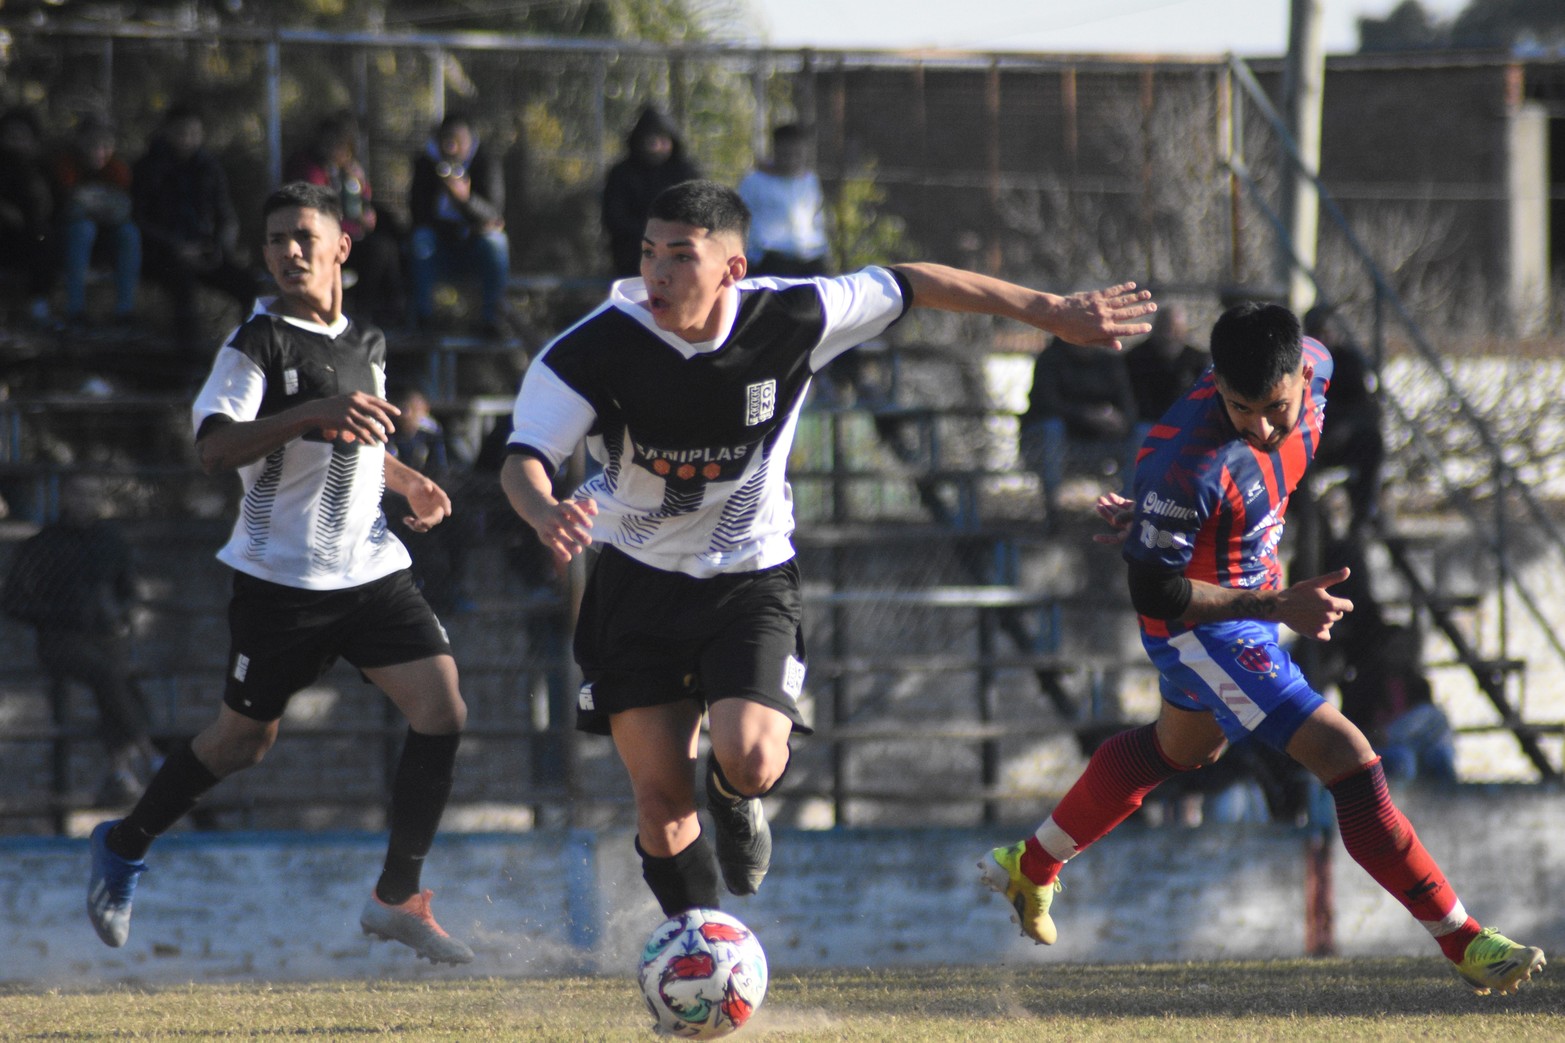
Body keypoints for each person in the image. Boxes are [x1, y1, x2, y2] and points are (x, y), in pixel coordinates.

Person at [499, 178, 1156, 921]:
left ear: (732, 269)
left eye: (681, 255)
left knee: (751, 758)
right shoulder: (592, 348)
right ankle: (703, 947)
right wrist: (542, 509)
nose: (657, 272)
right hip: (635, 581)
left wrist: (1049, 311)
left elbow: (912, 282)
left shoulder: (792, 314)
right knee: (658, 800)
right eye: (649, 253)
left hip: (748, 575)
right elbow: (524, 455)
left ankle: (735, 795)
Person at [979, 302, 1546, 997]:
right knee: (1347, 756)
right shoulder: (1186, 460)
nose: (1261, 425)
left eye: (1275, 407)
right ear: (1215, 382)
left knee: (1178, 749)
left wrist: (1162, 521)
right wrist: (1270, 600)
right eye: (1241, 408)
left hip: (1246, 594)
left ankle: (1031, 863)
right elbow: (1155, 592)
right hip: (1204, 625)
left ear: (1301, 374)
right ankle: (1464, 941)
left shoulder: (1319, 362)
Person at [85, 181, 472, 966]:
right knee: (239, 744)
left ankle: (396, 896)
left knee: (443, 708)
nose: (288, 250)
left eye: (303, 236)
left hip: (367, 570)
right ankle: (123, 844)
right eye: (274, 240)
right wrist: (310, 415)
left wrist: (408, 481)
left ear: (341, 247)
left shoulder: (367, 341)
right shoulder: (254, 344)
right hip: (280, 584)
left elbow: (356, 435)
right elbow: (215, 449)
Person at [2, 475, 160, 806]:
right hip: (59, 640)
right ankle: (150, 757)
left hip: (104, 637)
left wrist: (117, 612)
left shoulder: (111, 541)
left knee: (120, 683)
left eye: (92, 494)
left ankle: (120, 772)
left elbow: (128, 590)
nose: (85, 501)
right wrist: (60, 613)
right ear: (65, 498)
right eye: (79, 494)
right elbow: (13, 600)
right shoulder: (42, 545)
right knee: (109, 676)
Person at [132, 105, 256, 353]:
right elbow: (138, 218)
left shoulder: (209, 168)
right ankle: (186, 360)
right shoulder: (149, 167)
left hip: (204, 252)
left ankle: (249, 355)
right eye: (181, 133)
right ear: (168, 132)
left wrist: (220, 247)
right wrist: (175, 247)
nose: (187, 139)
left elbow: (225, 214)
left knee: (248, 286)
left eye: (193, 133)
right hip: (162, 255)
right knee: (183, 289)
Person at [285, 112, 403, 327]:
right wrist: (353, 224)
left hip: (348, 238)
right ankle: (363, 312)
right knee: (378, 250)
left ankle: (391, 311)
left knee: (390, 242)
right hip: (319, 242)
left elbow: (360, 202)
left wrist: (360, 184)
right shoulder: (310, 170)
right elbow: (316, 214)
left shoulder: (345, 171)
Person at [408, 112, 510, 336]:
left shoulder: (485, 162)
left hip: (474, 248)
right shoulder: (426, 164)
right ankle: (423, 318)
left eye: (457, 141)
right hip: (440, 247)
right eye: (446, 141)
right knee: (420, 240)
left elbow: (494, 213)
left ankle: (492, 319)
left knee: (496, 242)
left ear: (470, 141)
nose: (451, 148)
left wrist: (465, 200)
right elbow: (418, 214)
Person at [1017, 335, 1139, 522]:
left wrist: (1118, 421)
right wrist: (1087, 416)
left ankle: (1127, 511)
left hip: (1101, 440)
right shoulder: (1050, 359)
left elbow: (1128, 407)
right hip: (1057, 442)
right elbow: (1046, 405)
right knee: (1052, 428)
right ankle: (1054, 510)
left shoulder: (1110, 362)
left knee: (1141, 432)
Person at [1302, 302, 1385, 541]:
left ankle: (1363, 514)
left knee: (1370, 441)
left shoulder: (1348, 362)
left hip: (1341, 435)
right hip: (1307, 436)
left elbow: (1365, 406)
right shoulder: (1300, 364)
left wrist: (1346, 428)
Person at [51, 114, 141, 327]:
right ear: (80, 141)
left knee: (129, 233)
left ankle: (125, 310)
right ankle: (76, 310)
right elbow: (69, 205)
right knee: (83, 229)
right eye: (93, 144)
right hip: (70, 236)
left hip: (107, 236)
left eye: (106, 145)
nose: (99, 151)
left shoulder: (117, 169)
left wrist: (90, 204)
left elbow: (122, 210)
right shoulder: (65, 165)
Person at [601, 106, 701, 278]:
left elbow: (696, 214)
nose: (657, 147)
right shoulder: (622, 174)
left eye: (663, 140)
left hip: (678, 257)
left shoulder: (684, 173)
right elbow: (615, 218)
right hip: (633, 257)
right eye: (651, 140)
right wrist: (651, 236)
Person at [737, 123, 828, 278]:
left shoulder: (810, 181)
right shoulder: (754, 182)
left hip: (810, 260)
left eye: (798, 154)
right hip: (771, 261)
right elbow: (739, 219)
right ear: (776, 151)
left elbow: (816, 220)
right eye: (787, 153)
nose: (792, 159)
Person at [0, 105, 55, 325]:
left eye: (22, 136)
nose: (16, 141)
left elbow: (52, 202)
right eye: (10, 135)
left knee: (44, 237)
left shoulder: (40, 166)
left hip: (31, 237)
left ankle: (39, 303)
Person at [1122, 303, 1209, 429]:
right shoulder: (1136, 358)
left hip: (1186, 422)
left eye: (1175, 329)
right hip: (1146, 421)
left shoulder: (1198, 360)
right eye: (1164, 328)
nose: (1168, 335)